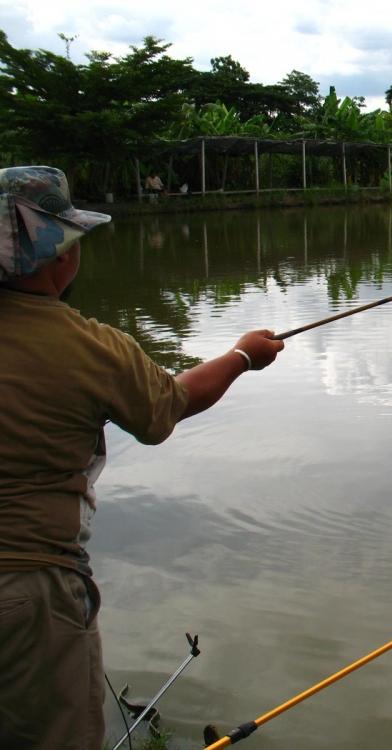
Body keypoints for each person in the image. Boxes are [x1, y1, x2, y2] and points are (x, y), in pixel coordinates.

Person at [0, 166, 284, 750]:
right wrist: (242, 356)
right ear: (60, 256)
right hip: (29, 588)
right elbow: (168, 407)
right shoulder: (84, 347)